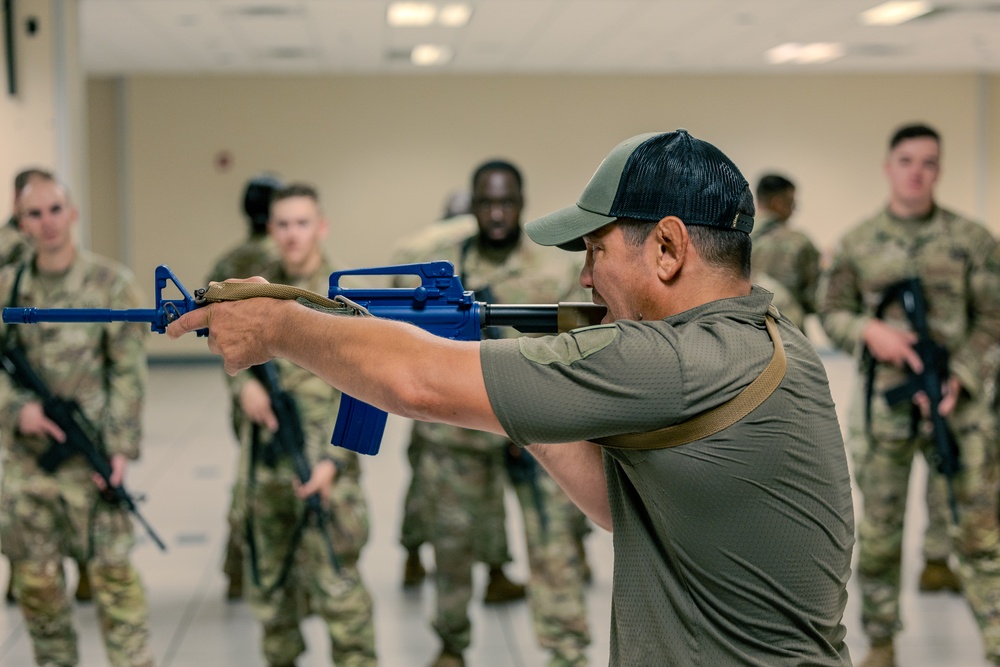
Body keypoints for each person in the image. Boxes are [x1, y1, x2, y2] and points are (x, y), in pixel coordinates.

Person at [170, 129, 855, 666]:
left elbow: (420, 384)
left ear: (669, 247)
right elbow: (617, 505)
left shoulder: (668, 362)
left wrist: (279, 323)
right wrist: (528, 401)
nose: (585, 276)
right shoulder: (769, 334)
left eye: (595, 249)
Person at [389, 160, 592, 667]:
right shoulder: (441, 267)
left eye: (507, 202)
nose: (497, 213)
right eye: (486, 202)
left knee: (554, 549)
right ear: (472, 206)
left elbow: (585, 343)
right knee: (452, 548)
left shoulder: (555, 267)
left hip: (540, 435)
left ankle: (567, 653)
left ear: (522, 205)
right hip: (460, 437)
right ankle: (451, 645)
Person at [818, 122, 1000, 667]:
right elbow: (832, 312)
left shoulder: (973, 241)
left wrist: (960, 376)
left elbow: (994, 316)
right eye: (906, 161)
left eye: (928, 162)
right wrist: (869, 333)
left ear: (938, 170)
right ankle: (880, 641)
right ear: (888, 166)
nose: (916, 172)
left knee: (981, 532)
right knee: (878, 533)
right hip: (884, 412)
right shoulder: (857, 243)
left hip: (959, 411)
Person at [0, 174, 154, 666]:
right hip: (30, 467)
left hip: (93, 457)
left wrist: (118, 450)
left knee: (115, 584)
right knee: (39, 587)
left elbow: (128, 375)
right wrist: (15, 409)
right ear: (20, 222)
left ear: (73, 212)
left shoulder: (111, 283)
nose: (47, 223)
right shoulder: (7, 286)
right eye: (34, 214)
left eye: (54, 209)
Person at [228, 183, 376, 667]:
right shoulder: (252, 293)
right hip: (268, 470)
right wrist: (243, 385)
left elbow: (369, 389)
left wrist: (333, 463)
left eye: (302, 223)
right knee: (273, 604)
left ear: (321, 226)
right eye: (283, 224)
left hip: (327, 470)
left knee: (342, 600)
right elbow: (230, 351)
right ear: (271, 230)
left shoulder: (345, 298)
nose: (293, 235)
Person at [390, 182, 527, 597]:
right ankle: (419, 554)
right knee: (441, 493)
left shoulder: (444, 263)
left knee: (473, 493)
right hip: (447, 408)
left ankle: (478, 565)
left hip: (466, 409)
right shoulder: (436, 265)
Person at [207, 173, 283, 601]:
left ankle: (237, 567)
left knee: (250, 473)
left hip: (244, 384)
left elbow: (214, 329)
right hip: (291, 387)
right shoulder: (291, 260)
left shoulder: (228, 263)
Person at [750, 173, 820, 332]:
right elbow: (816, 299)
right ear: (777, 203)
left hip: (741, 334)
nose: (793, 211)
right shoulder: (799, 243)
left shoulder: (735, 239)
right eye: (792, 204)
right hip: (787, 336)